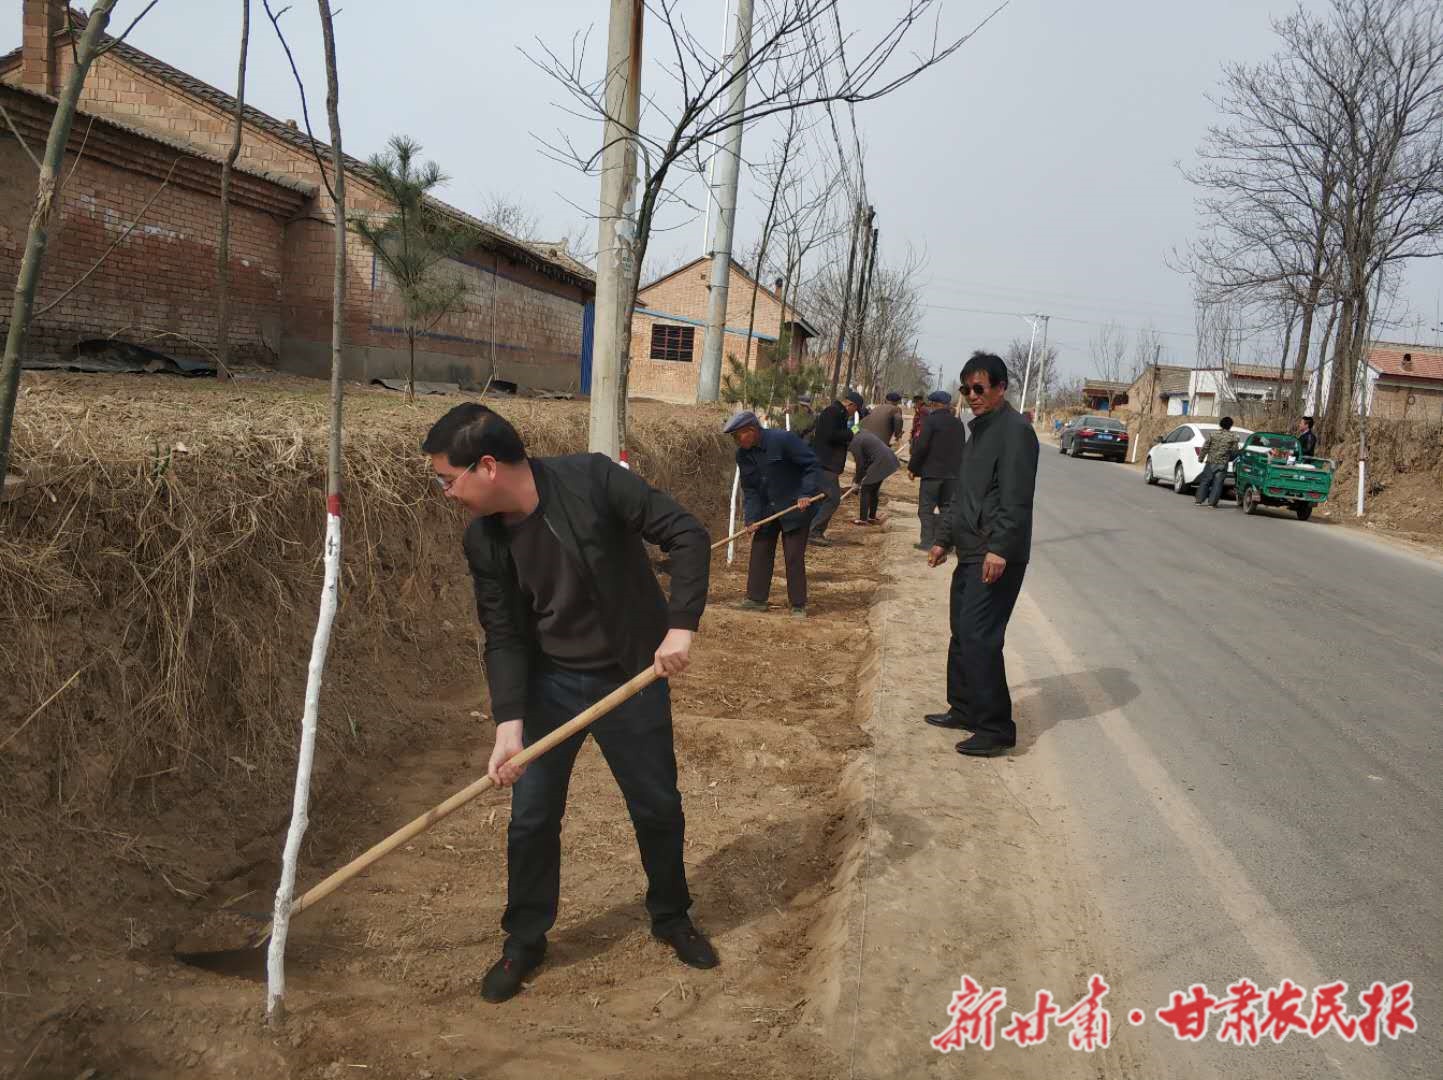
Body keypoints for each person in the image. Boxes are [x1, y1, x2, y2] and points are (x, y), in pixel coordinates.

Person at [423, 403, 718, 1004]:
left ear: (486, 467)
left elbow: (686, 534)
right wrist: (509, 725)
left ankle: (671, 915)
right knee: (531, 818)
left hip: (630, 676)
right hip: (550, 687)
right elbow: (503, 632)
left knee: (657, 805)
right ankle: (525, 940)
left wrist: (679, 626)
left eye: (447, 480)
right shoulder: (484, 540)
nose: (446, 493)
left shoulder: (592, 479)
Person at [926, 352, 1038, 757]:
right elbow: (963, 495)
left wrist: (1000, 549)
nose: (971, 395)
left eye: (980, 388)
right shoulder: (981, 430)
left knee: (980, 637)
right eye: (966, 389)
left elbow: (1015, 499)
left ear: (1000, 388)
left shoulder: (1014, 432)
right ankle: (964, 708)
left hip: (995, 554)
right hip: (971, 549)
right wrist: (943, 539)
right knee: (962, 631)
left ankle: (995, 728)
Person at [724, 410, 823, 618]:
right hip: (767, 509)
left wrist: (805, 493)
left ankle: (797, 604)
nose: (735, 440)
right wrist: (751, 518)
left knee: (793, 555)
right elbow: (750, 488)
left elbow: (811, 465)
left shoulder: (783, 440)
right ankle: (756, 598)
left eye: (737, 435)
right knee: (760, 550)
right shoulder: (743, 454)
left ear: (751, 430)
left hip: (795, 506)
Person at [908, 390, 965, 551]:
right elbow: (963, 449)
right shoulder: (958, 423)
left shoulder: (931, 421)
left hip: (932, 474)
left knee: (925, 509)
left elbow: (921, 447)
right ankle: (944, 544)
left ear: (933, 404)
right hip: (953, 475)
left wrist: (913, 468)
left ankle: (927, 542)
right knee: (947, 509)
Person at [808, 392, 860, 546]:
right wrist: (852, 432)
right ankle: (814, 531)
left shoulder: (839, 413)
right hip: (825, 464)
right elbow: (831, 435)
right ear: (851, 405)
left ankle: (812, 531)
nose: (853, 414)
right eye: (855, 410)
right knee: (833, 499)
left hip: (828, 464)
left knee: (823, 499)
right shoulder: (832, 412)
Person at [849, 428, 900, 525]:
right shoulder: (863, 432)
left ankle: (863, 519)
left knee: (866, 488)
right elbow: (865, 462)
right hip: (889, 459)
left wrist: (857, 482)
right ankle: (872, 517)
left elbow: (860, 464)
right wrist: (857, 478)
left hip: (881, 461)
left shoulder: (854, 442)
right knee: (873, 489)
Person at [1194, 416, 1240, 508]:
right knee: (1218, 483)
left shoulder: (1213, 434)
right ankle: (1212, 503)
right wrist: (1229, 458)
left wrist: (1201, 458)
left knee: (1205, 481)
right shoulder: (1234, 436)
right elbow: (1235, 450)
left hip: (1210, 462)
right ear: (1230, 426)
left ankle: (1199, 500)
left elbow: (1205, 447)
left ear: (1221, 424)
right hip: (1222, 464)